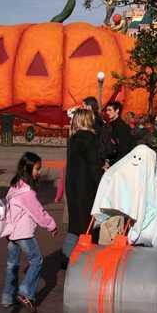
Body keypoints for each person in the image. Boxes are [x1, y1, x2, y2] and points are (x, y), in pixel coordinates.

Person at [1, 152, 58, 313]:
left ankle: (7, 297)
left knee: (12, 264)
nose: (38, 172)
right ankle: (25, 292)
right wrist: (51, 225)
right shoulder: (27, 193)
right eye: (37, 169)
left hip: (11, 233)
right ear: (28, 169)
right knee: (37, 260)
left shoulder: (15, 186)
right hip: (23, 233)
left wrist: (7, 232)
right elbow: (38, 212)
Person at [63, 109, 103, 266]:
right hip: (87, 188)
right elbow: (93, 166)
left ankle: (66, 257)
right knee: (88, 226)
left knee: (75, 225)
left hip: (73, 185)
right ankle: (86, 261)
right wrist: (102, 181)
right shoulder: (90, 139)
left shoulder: (73, 138)